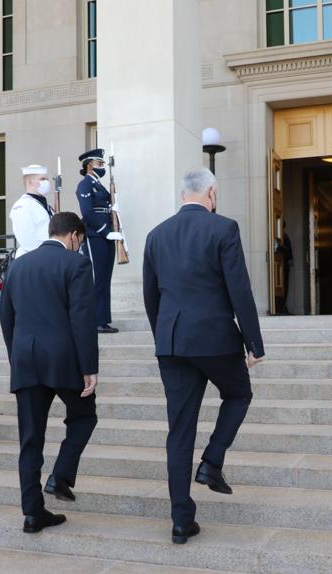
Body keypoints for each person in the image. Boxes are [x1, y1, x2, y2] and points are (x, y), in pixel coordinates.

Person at [142, 168, 265, 545]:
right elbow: (239, 289)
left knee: (179, 431)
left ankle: (181, 520)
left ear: (183, 195)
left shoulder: (156, 235)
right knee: (239, 394)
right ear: (211, 192)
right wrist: (253, 343)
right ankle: (211, 462)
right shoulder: (223, 228)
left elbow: (151, 297)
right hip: (214, 339)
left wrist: (164, 336)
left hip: (173, 342)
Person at [0, 212, 99, 533]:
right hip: (63, 359)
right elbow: (82, 319)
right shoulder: (77, 265)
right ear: (73, 235)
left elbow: (7, 317)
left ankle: (32, 513)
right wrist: (89, 368)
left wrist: (18, 357)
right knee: (84, 416)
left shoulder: (18, 266)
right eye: (80, 241)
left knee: (30, 439)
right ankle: (61, 476)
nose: (79, 247)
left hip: (26, 359)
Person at [76, 148, 124, 333]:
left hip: (106, 235)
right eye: (99, 163)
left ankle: (103, 320)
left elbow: (103, 207)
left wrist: (113, 207)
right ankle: (94, 321)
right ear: (89, 165)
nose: (102, 166)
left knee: (105, 278)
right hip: (95, 235)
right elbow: (87, 212)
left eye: (103, 163)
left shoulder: (99, 185)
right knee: (97, 279)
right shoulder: (85, 185)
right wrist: (105, 232)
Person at [10, 163, 56, 259]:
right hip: (32, 259)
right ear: (30, 182)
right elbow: (26, 239)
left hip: (49, 257)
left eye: (47, 179)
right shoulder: (22, 206)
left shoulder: (48, 207)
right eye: (42, 179)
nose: (46, 182)